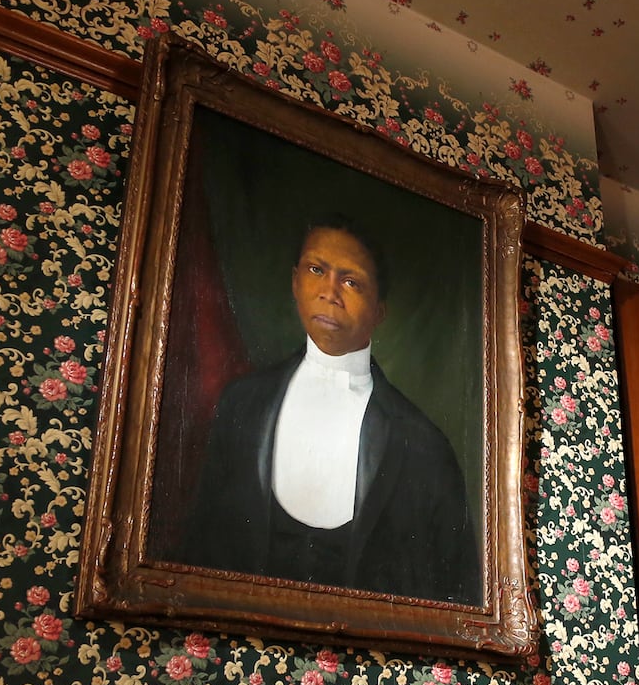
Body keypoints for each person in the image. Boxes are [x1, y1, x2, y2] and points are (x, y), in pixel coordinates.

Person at [178, 216, 480, 605]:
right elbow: (200, 547)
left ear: (378, 311)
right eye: (316, 270)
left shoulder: (423, 445)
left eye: (351, 282)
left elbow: (453, 591)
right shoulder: (242, 403)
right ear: (294, 281)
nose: (329, 291)